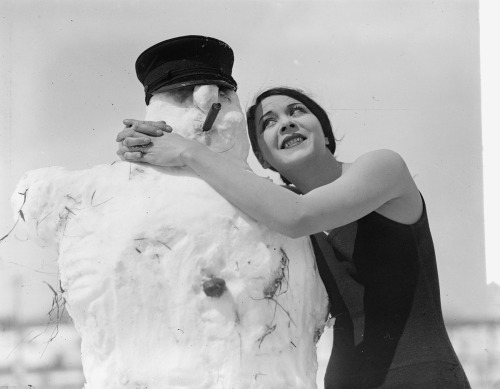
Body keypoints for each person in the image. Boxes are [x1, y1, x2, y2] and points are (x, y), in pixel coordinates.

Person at [117, 42, 470, 387]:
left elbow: (299, 215)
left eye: (297, 111)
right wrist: (149, 143)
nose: (286, 123)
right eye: (269, 122)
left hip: (424, 377)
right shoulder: (273, 204)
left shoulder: (383, 168)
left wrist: (189, 152)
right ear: (265, 158)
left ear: (326, 133)